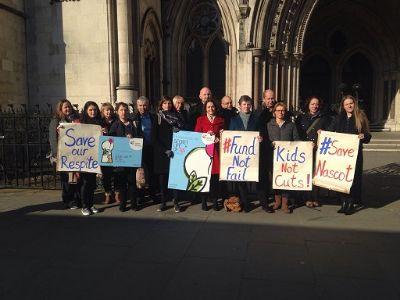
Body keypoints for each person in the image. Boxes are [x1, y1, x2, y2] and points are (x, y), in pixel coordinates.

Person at [328, 95, 371, 215]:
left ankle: (351, 204)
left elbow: (368, 135)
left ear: (354, 104)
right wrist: (322, 132)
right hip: (341, 155)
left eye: (351, 103)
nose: (349, 106)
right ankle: (343, 203)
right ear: (343, 106)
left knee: (353, 179)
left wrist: (364, 136)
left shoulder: (360, 117)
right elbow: (330, 131)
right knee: (341, 178)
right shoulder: (338, 118)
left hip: (355, 154)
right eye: (347, 104)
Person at [229, 95, 272, 213]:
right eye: (244, 104)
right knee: (241, 181)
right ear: (240, 106)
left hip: (254, 154)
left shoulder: (257, 118)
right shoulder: (234, 120)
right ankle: (246, 203)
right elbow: (230, 136)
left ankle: (264, 204)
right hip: (240, 155)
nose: (246, 106)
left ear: (251, 106)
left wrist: (261, 138)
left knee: (259, 179)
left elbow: (262, 133)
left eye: (248, 104)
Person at [296, 96, 332, 208]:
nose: (314, 106)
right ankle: (307, 198)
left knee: (316, 174)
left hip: (318, 150)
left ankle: (315, 197)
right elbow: (296, 133)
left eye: (316, 104)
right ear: (308, 105)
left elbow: (330, 132)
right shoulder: (301, 118)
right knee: (306, 173)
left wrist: (324, 132)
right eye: (312, 104)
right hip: (304, 150)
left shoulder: (324, 118)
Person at [267, 102, 300, 213]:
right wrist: (269, 144)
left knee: (285, 179)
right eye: (278, 110)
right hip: (273, 157)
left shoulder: (291, 125)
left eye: (283, 110)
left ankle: (285, 203)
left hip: (287, 158)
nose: (280, 112)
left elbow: (296, 140)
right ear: (274, 112)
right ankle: (277, 201)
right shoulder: (269, 125)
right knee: (275, 179)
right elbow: (266, 140)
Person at [153, 96, 185, 212]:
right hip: (162, 153)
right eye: (165, 103)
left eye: (169, 103)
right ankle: (163, 202)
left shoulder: (176, 116)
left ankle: (176, 202)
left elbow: (183, 131)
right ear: (161, 105)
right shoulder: (157, 118)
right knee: (163, 180)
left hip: (175, 152)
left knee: (174, 179)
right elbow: (154, 137)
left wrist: (179, 130)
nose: (167, 105)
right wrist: (164, 150)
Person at [48, 99, 81, 209]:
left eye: (69, 107)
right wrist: (56, 153)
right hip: (63, 154)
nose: (68, 109)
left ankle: (77, 198)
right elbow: (53, 139)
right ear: (61, 109)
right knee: (66, 179)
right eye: (65, 107)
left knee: (76, 176)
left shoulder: (76, 119)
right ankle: (69, 200)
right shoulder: (56, 121)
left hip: (76, 153)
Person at [109, 102, 140, 212]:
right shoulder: (115, 124)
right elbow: (110, 140)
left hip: (131, 158)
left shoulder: (133, 124)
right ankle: (123, 203)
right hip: (120, 159)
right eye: (121, 110)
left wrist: (132, 138)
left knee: (132, 182)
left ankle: (133, 203)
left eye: (125, 110)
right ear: (117, 112)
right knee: (122, 183)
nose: (124, 112)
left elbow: (139, 138)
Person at [194, 99, 225, 211]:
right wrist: (205, 136)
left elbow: (225, 136)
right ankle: (204, 201)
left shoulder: (221, 120)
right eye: (208, 107)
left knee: (215, 178)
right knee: (204, 177)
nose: (211, 109)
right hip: (204, 151)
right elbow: (196, 135)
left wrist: (220, 138)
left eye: (212, 107)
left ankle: (215, 200)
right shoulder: (200, 120)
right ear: (205, 108)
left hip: (216, 152)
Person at [79, 101, 104, 216]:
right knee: (85, 183)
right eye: (90, 110)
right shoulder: (81, 123)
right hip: (84, 157)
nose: (93, 112)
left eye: (94, 110)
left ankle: (90, 204)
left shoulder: (99, 122)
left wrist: (105, 132)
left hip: (95, 157)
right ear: (86, 111)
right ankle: (84, 206)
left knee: (92, 183)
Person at [132, 96, 158, 204]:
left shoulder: (154, 117)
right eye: (140, 105)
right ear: (137, 106)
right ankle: (140, 196)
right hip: (138, 149)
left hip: (151, 148)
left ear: (148, 105)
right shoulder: (133, 118)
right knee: (140, 172)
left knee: (152, 172)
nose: (143, 107)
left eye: (145, 105)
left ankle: (153, 194)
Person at [100, 102, 117, 204]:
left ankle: (117, 194)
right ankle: (107, 194)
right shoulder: (100, 122)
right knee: (106, 174)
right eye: (106, 110)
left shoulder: (116, 121)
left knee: (116, 173)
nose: (108, 112)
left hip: (115, 149)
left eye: (110, 110)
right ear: (103, 111)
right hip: (104, 151)